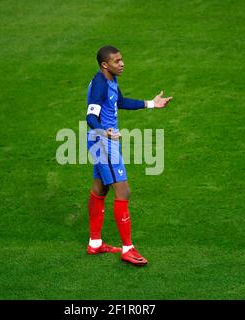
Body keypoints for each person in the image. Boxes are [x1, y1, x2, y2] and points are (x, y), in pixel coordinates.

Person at [85, 45, 172, 266]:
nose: (122, 64)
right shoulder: (99, 85)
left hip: (104, 140)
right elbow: (91, 116)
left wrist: (152, 103)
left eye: (122, 59)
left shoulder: (111, 81)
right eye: (117, 61)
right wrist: (105, 133)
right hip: (104, 141)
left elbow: (120, 102)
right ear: (105, 65)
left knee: (100, 188)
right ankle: (128, 248)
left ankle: (95, 243)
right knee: (123, 191)